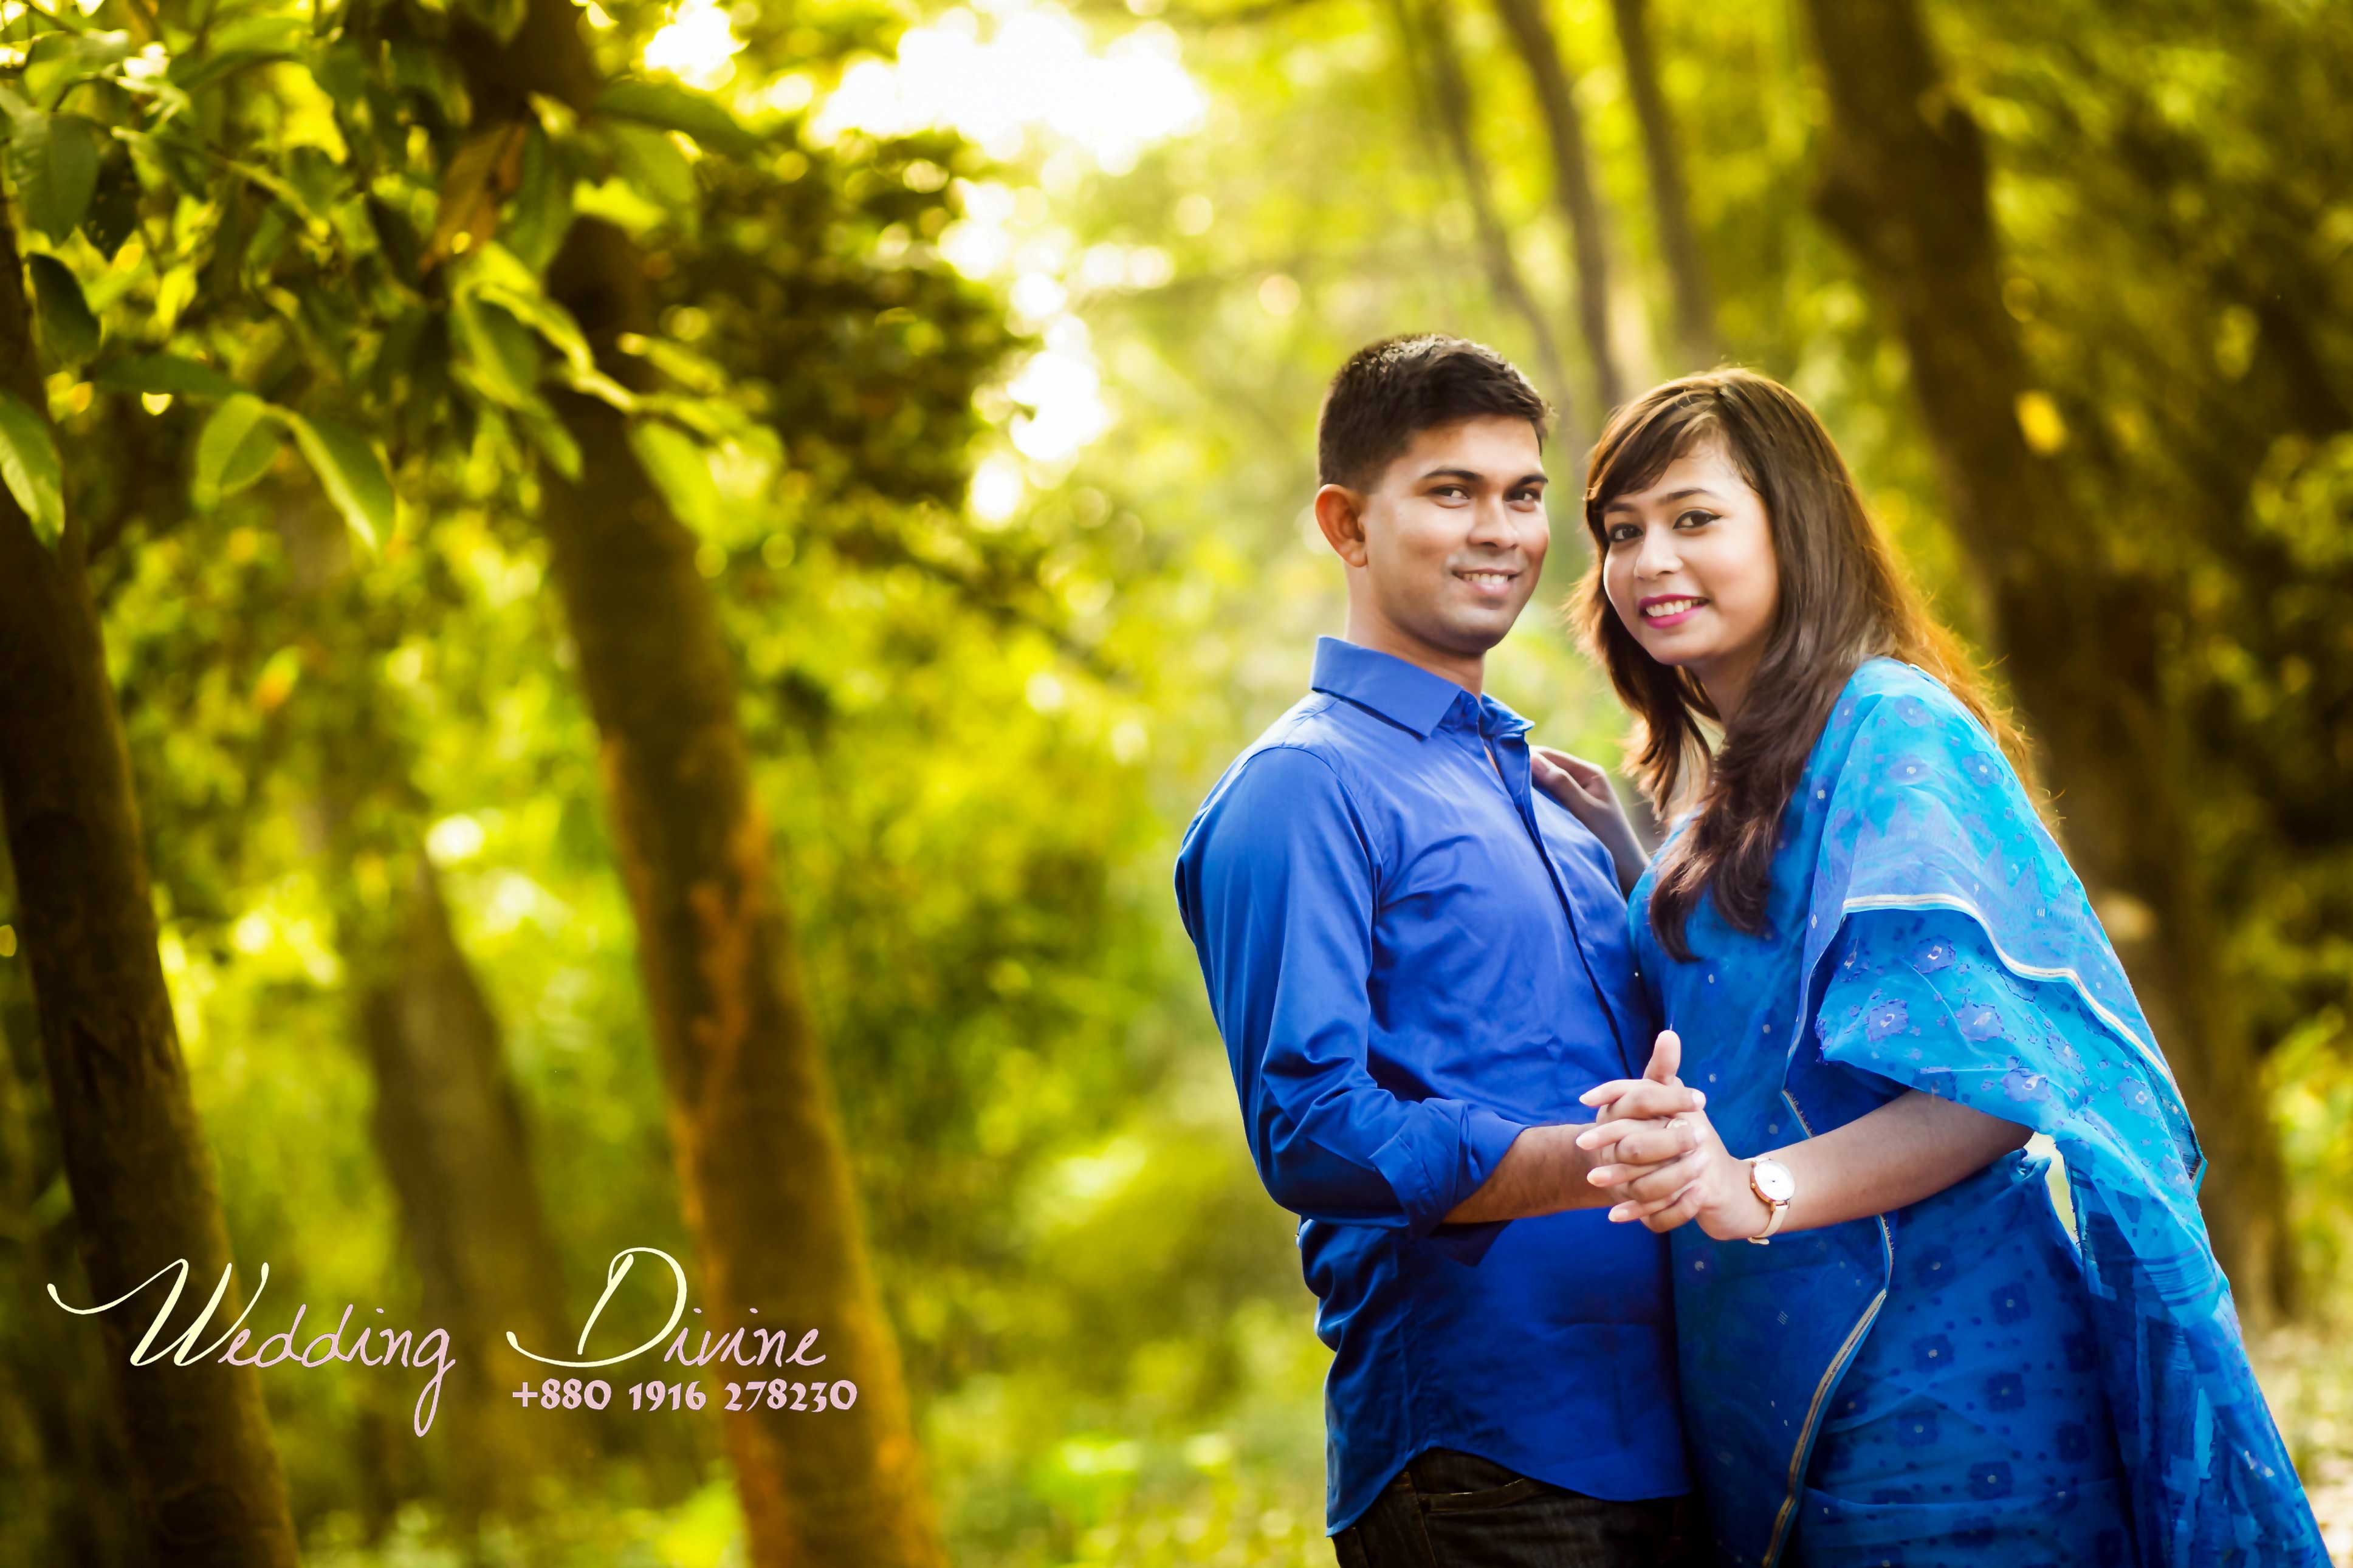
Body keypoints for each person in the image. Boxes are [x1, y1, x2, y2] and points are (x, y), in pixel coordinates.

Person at [1550, 369, 2327, 1566]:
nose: (1650, 559)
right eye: (1621, 531)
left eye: (1693, 517)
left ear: (1794, 526)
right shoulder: (1722, 791)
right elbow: (1755, 1002)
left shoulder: (1890, 725)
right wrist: (1632, 865)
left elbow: (1989, 1088)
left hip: (1945, 1392)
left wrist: (1747, 1188)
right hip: (1779, 1388)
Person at [1173, 335, 1703, 1566]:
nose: (1499, 531)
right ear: (1347, 525)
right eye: (1452, 492)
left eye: (1522, 495)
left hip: (1675, 1435)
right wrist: (1593, 1162)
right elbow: (1310, 1126)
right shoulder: (1301, 788)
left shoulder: (1556, 799)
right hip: (1483, 1461)